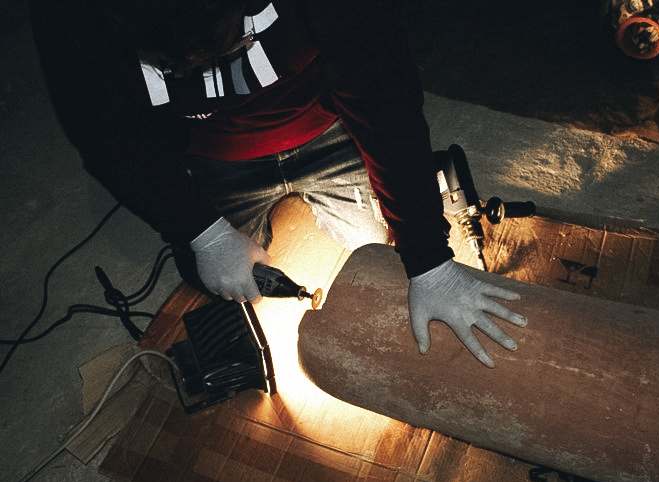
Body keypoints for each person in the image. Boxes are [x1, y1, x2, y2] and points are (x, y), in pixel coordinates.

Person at [29, 0, 527, 367]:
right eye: (178, 63)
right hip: (208, 148)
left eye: (219, 43)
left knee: (375, 253)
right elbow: (106, 137)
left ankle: (424, 187)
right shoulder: (71, 15)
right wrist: (203, 231)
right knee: (217, 280)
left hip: (328, 123)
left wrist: (429, 258)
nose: (200, 65)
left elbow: (382, 96)